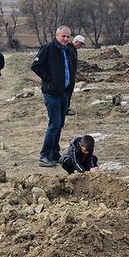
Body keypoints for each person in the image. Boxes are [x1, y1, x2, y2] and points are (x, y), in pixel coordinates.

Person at [32, 26, 77, 167]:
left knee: (60, 123)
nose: (65, 39)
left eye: (68, 36)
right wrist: (49, 79)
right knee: (54, 124)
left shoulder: (69, 50)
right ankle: (44, 155)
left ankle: (54, 153)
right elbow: (36, 65)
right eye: (63, 36)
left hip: (65, 92)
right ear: (57, 35)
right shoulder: (48, 48)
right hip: (52, 92)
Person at [66, 35, 86, 115]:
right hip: (68, 76)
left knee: (68, 93)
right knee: (66, 93)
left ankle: (66, 108)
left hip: (71, 75)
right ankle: (65, 110)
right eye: (80, 44)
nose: (80, 46)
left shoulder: (73, 49)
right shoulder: (68, 49)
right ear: (76, 42)